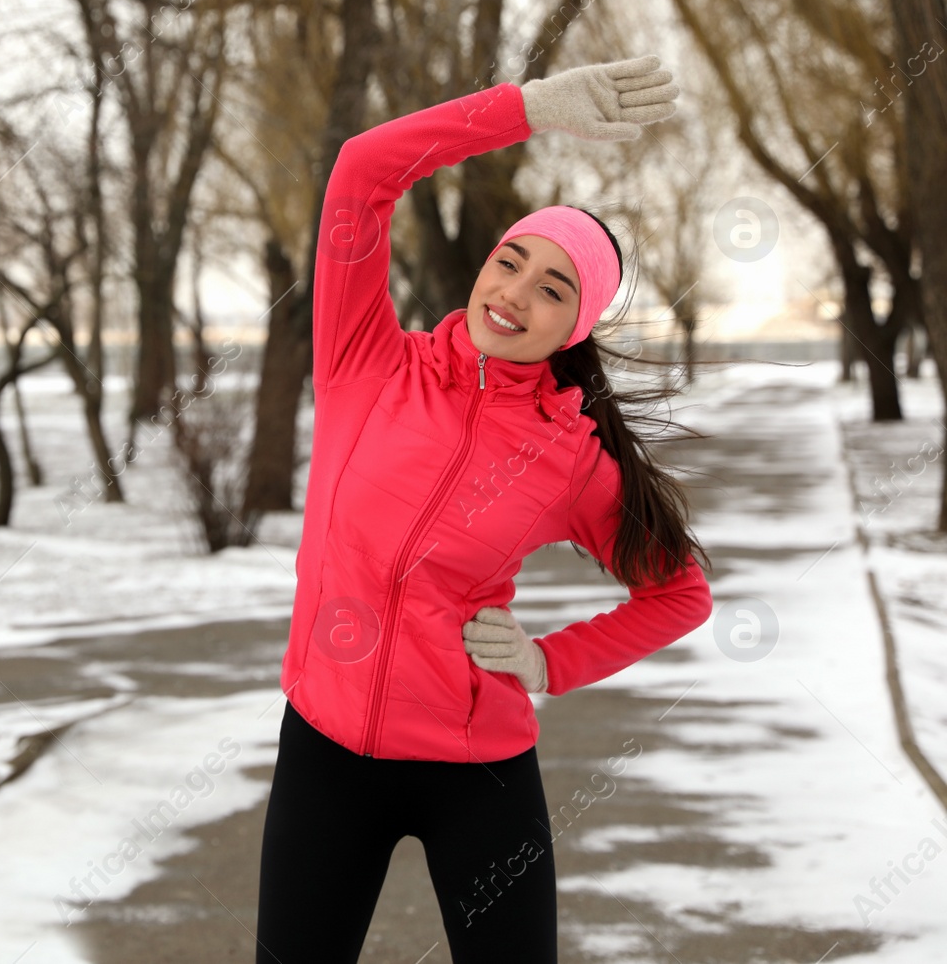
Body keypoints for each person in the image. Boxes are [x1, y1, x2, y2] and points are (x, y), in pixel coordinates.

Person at [254, 55, 715, 963]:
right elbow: (362, 170)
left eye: (554, 289)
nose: (515, 294)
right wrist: (528, 109)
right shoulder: (366, 358)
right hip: (326, 751)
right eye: (512, 261)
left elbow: (680, 593)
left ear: (574, 329)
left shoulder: (570, 455)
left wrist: (549, 662)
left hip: (478, 769)